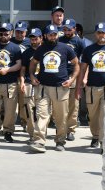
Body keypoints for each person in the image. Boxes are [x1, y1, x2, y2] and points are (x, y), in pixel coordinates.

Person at [28, 24, 79, 153]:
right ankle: (39, 141)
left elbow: (76, 64)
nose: (53, 36)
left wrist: (72, 79)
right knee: (42, 114)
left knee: (61, 117)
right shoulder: (40, 49)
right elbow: (33, 63)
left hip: (60, 88)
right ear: (45, 36)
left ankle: (60, 141)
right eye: (50, 34)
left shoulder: (66, 48)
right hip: (43, 87)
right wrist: (32, 76)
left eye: (55, 34)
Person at [0, 22, 22, 142]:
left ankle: (8, 131)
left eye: (6, 33)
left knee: (10, 110)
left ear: (11, 33)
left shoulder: (15, 48)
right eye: (1, 33)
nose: (3, 35)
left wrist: (8, 70)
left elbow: (19, 65)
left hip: (10, 83)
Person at [59, 18, 85, 142]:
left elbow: (84, 62)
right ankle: (61, 128)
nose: (66, 31)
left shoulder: (79, 42)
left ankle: (70, 130)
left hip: (74, 75)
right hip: (61, 75)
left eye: (69, 29)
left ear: (74, 29)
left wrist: (84, 77)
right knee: (60, 103)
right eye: (64, 29)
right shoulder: (59, 40)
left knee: (73, 104)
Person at [18, 28, 43, 140]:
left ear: (41, 38)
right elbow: (23, 69)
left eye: (36, 38)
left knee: (42, 110)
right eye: (32, 38)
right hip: (29, 82)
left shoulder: (45, 50)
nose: (33, 40)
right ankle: (32, 134)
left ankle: (41, 133)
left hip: (43, 83)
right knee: (29, 108)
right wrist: (22, 82)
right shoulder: (27, 52)